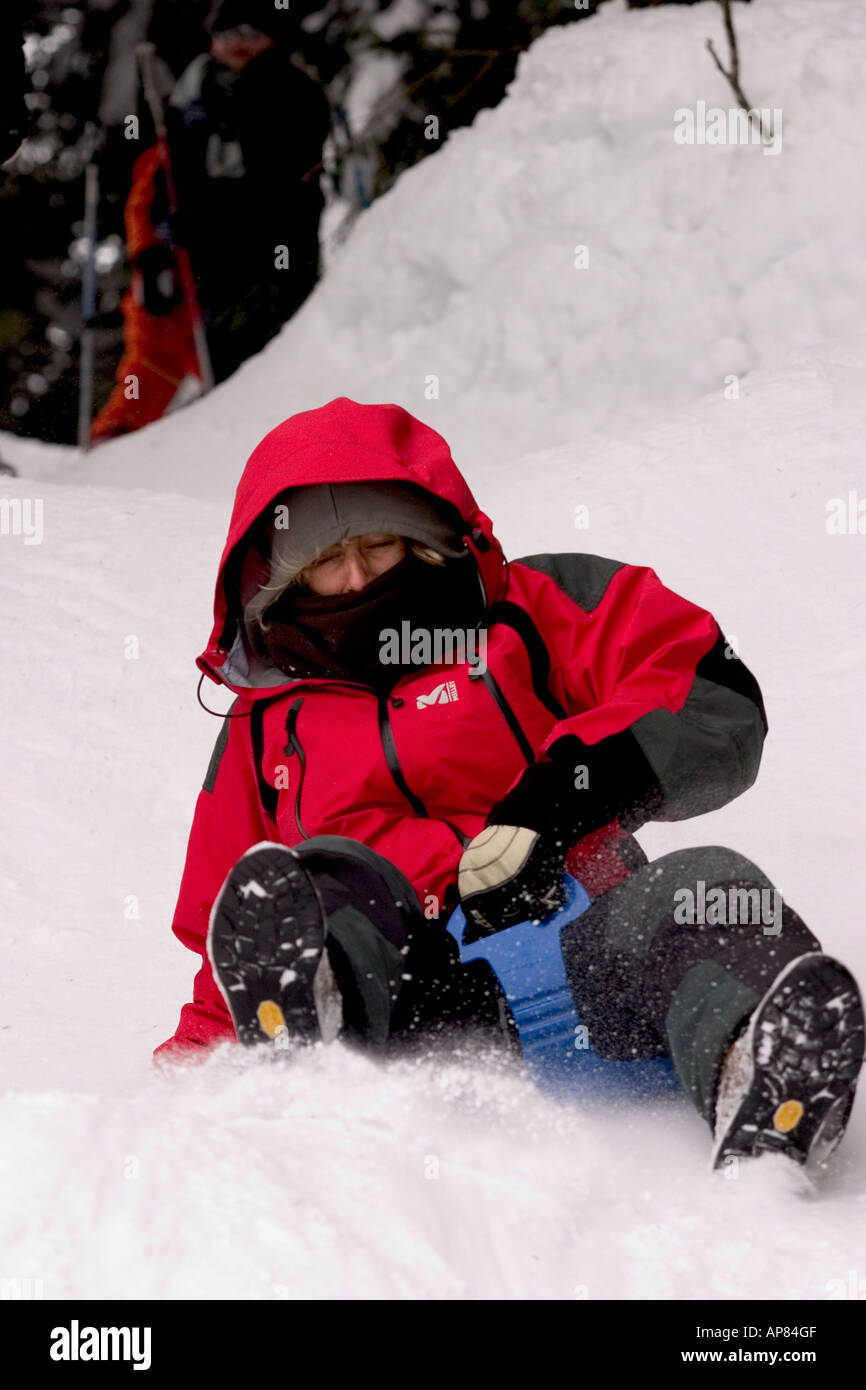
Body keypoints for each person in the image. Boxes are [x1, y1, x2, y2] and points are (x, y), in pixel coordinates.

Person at [156, 397, 864, 1174]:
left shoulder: (528, 611)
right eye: (325, 561)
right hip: (413, 1010)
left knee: (709, 889)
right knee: (323, 883)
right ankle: (309, 1037)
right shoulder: (264, 728)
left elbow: (706, 690)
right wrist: (188, 1098)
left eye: (378, 544)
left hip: (593, 956)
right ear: (280, 577)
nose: (354, 578)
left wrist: (557, 801)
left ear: (422, 536)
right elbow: (242, 930)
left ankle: (762, 1080)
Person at [91, 0, 330, 439]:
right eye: (228, 34)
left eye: (251, 33)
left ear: (271, 38)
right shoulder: (183, 100)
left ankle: (253, 444)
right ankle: (118, 442)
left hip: (263, 261)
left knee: (246, 358)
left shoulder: (293, 94)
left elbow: (286, 184)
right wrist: (151, 253)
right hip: (189, 257)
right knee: (155, 334)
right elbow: (151, 189)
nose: (238, 44)